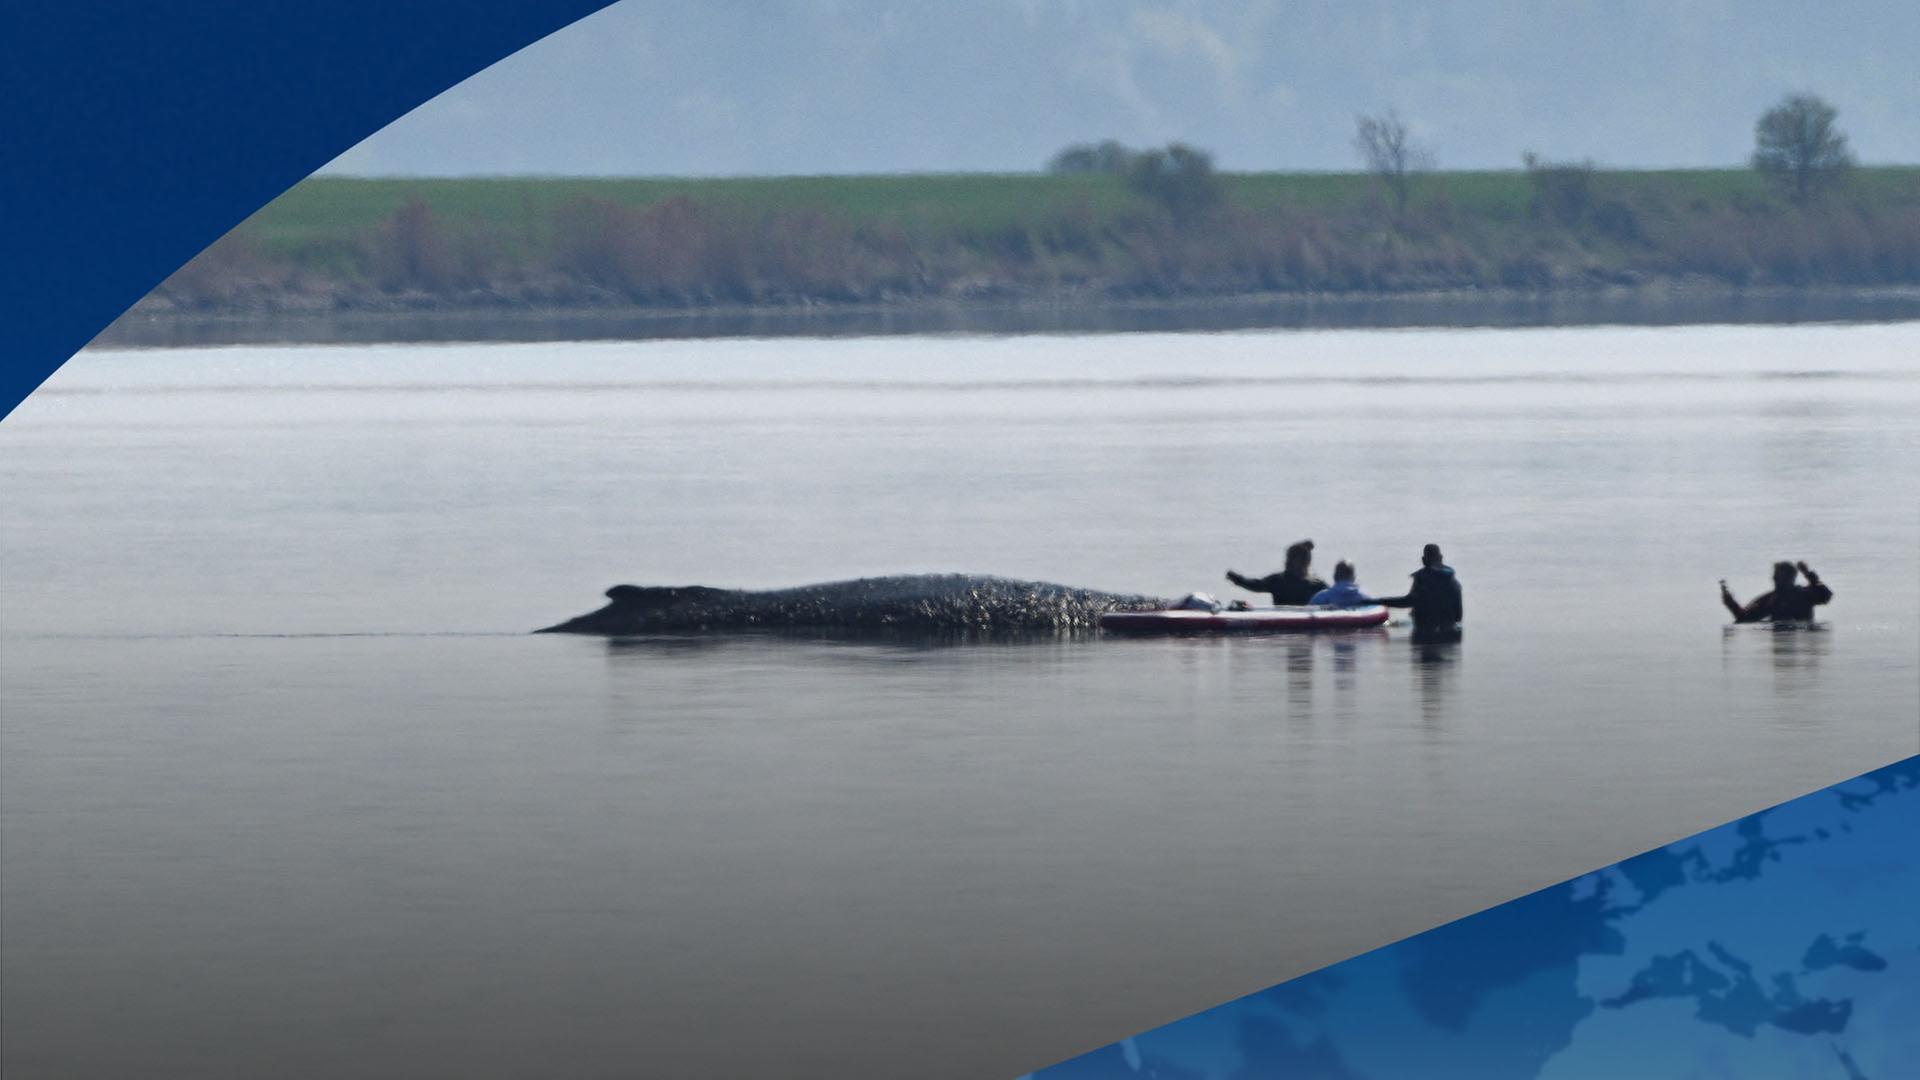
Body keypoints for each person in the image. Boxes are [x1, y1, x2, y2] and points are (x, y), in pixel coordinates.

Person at [1376, 543, 1463, 636]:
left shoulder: (1422, 579)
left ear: (1423, 560)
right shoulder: (1453, 582)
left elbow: (1408, 601)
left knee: (1386, 626)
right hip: (1451, 636)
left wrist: (1378, 602)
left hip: (1424, 633)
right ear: (1441, 557)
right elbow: (1458, 617)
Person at [1721, 561, 1832, 623]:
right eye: (1774, 575)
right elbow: (1744, 618)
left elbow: (1825, 595)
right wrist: (1730, 603)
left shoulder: (1803, 594)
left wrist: (1808, 574)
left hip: (1795, 630)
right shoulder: (1772, 599)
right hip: (1792, 630)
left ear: (1790, 578)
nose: (1773, 578)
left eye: (1777, 576)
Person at [1226, 539, 1327, 606]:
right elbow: (1255, 585)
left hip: (1287, 625)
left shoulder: (1277, 580)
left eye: (1289, 559)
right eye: (1288, 559)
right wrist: (1236, 578)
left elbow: (1255, 585)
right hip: (1303, 629)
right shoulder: (1317, 584)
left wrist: (1236, 579)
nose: (1286, 562)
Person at [1309, 561, 1376, 608]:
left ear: (1334, 576)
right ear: (1354, 577)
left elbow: (1308, 611)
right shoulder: (1364, 596)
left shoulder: (1321, 597)